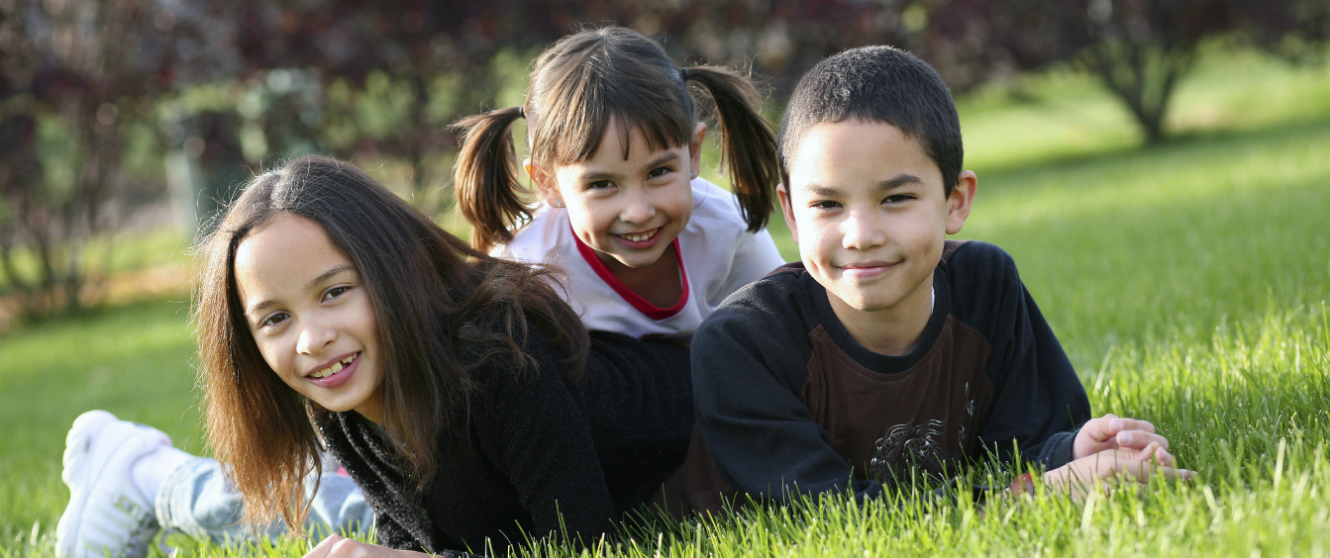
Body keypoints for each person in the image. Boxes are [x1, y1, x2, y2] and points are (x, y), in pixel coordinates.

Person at [58, 156, 696, 558]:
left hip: (707, 441)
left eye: (335, 292)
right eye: (275, 319)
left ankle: (142, 478)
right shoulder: (341, 406)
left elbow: (586, 544)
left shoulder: (500, 358)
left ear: (397, 272)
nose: (311, 338)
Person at [663, 46, 1195, 515]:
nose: (861, 235)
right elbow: (834, 516)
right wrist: (1041, 494)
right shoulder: (743, 344)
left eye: (895, 198)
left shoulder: (985, 284)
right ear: (793, 214)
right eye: (827, 204)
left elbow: (1015, 447)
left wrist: (1071, 452)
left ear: (955, 201)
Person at [453, 26, 786, 339]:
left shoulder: (728, 230)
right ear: (548, 183)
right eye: (601, 184)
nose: (639, 212)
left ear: (693, 153)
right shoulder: (528, 267)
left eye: (658, 173)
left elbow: (784, 338)